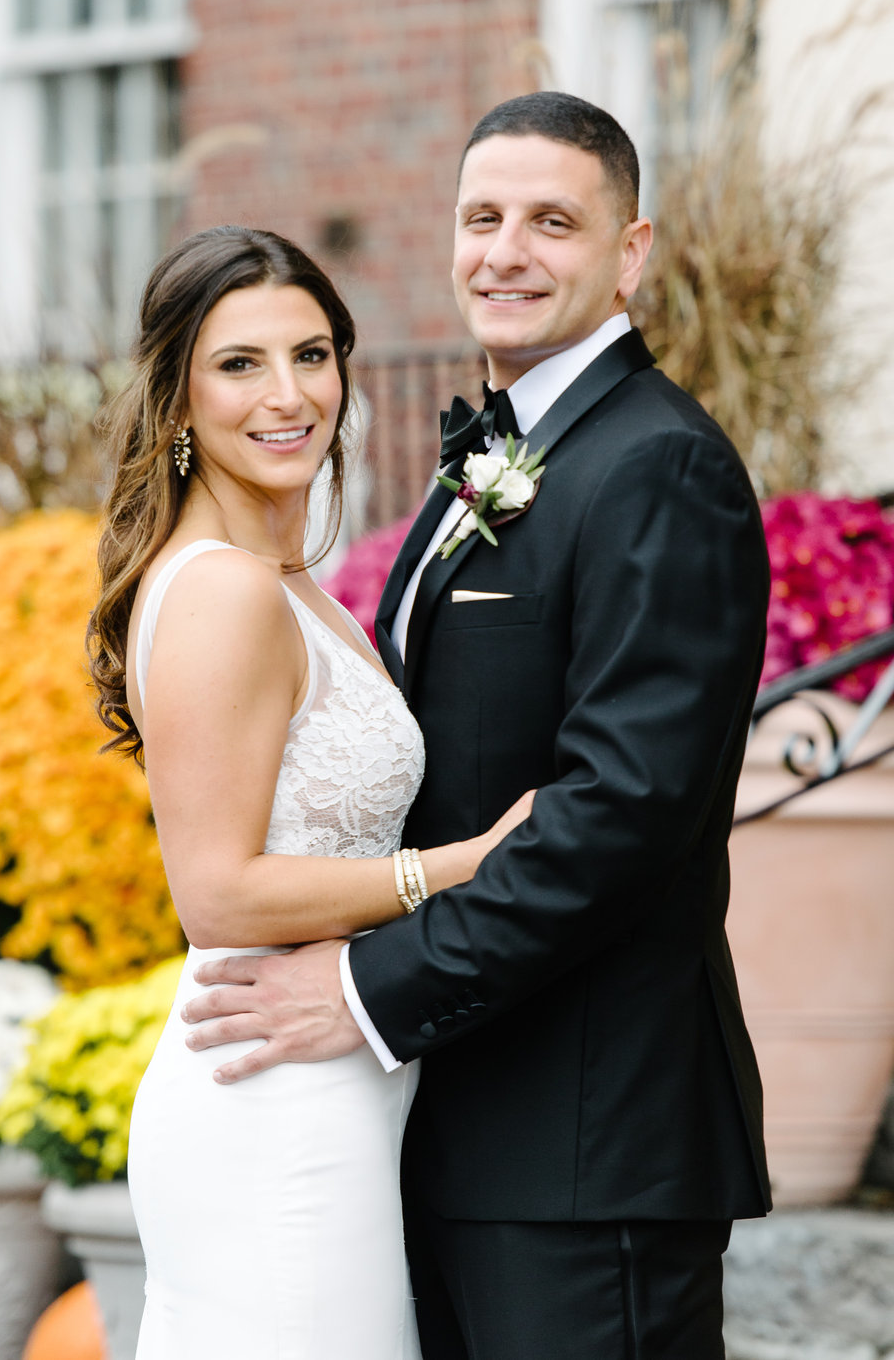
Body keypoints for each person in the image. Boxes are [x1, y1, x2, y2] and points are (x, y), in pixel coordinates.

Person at [181, 94, 774, 1360]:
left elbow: (618, 816)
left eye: (552, 221)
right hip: (445, 1120)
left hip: (584, 1139)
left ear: (630, 251)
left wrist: (363, 988)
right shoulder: (502, 456)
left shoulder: (657, 466)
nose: (505, 251)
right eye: (481, 217)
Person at [86, 224, 533, 1360]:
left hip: (335, 1078)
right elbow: (217, 895)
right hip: (269, 1105)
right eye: (240, 363)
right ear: (177, 399)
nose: (289, 394)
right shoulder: (225, 590)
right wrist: (462, 866)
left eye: (314, 353)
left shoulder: (289, 582)